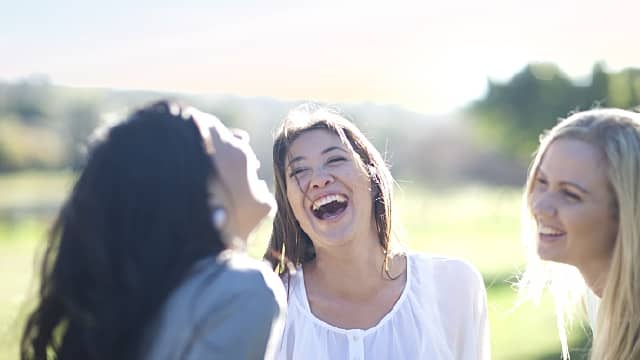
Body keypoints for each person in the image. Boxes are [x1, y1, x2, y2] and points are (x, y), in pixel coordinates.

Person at [20, 100, 286, 360]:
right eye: (222, 135)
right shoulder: (239, 293)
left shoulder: (147, 305)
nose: (242, 135)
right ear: (202, 190)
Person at [264, 103, 490, 360]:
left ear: (373, 179)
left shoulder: (454, 285)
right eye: (300, 171)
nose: (319, 179)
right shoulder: (269, 310)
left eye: (335, 159)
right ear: (289, 205)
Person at [518, 108, 640, 360]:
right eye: (541, 182)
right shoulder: (604, 301)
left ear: (627, 211)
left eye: (570, 194)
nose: (540, 206)